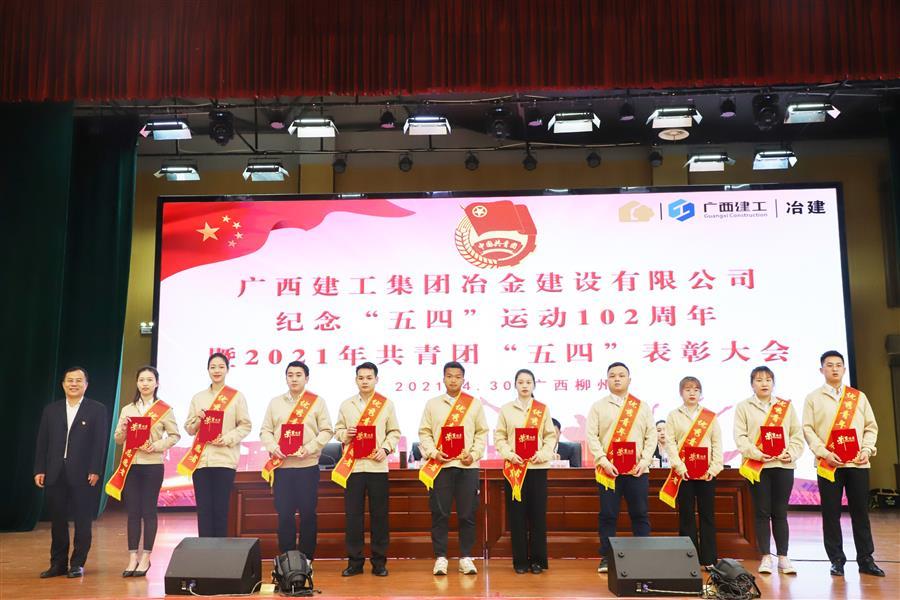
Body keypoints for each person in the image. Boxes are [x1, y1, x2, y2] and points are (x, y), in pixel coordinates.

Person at [802, 350, 884, 577]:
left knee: (860, 513)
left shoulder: (858, 397)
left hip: (857, 464)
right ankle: (836, 560)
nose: (834, 369)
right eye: (829, 365)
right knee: (831, 514)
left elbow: (871, 427)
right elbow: (808, 430)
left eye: (838, 365)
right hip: (829, 464)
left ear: (844, 369)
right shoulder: (813, 398)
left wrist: (867, 449)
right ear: (822, 370)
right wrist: (824, 453)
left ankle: (866, 560)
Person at [33, 366, 108, 578]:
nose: (73, 384)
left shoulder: (97, 409)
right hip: (55, 472)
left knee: (83, 520)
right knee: (57, 521)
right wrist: (40, 469)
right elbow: (42, 441)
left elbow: (100, 443)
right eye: (70, 380)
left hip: (84, 474)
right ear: (63, 384)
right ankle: (58, 564)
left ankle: (77, 564)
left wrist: (95, 469)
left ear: (86, 385)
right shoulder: (51, 410)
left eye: (78, 380)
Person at [418, 361, 489, 576]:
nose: (453, 380)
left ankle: (466, 557)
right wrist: (433, 453)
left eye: (457, 376)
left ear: (463, 379)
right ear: (443, 379)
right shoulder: (432, 404)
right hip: (441, 466)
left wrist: (473, 454)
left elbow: (482, 433)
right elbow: (424, 433)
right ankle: (440, 557)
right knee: (440, 513)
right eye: (449, 376)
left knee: (467, 514)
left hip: (467, 466)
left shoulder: (473, 404)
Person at [108, 366, 180, 577]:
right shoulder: (127, 409)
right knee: (133, 512)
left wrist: (156, 445)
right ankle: (132, 557)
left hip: (153, 465)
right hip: (131, 465)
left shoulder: (164, 409)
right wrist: (122, 431)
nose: (145, 383)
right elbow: (118, 439)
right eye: (141, 380)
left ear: (156, 383)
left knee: (148, 511)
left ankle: (146, 557)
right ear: (137, 383)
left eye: (149, 380)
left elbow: (174, 436)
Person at [733, 366, 804, 575]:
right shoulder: (743, 407)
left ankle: (783, 557)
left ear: (773, 383)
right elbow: (740, 437)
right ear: (752, 384)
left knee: (780, 512)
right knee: (762, 512)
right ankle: (765, 557)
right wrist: (757, 454)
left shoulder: (785, 407)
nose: (764, 383)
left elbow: (796, 434)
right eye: (758, 380)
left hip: (783, 465)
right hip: (758, 466)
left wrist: (791, 453)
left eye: (768, 379)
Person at [260, 361, 333, 561]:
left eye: (298, 375)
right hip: (282, 468)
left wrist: (309, 448)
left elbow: (327, 430)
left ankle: (306, 558)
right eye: (290, 375)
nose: (294, 378)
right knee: (284, 514)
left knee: (308, 514)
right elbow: (265, 430)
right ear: (286, 378)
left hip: (307, 467)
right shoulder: (275, 402)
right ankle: (287, 558)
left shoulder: (317, 402)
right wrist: (273, 447)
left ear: (306, 378)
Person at [333, 362, 400, 577]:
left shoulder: (386, 404)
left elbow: (394, 432)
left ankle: (379, 562)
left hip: (377, 467)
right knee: (353, 516)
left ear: (376, 380)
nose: (365, 381)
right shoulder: (346, 405)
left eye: (369, 378)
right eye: (361, 378)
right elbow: (337, 430)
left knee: (379, 516)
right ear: (356, 380)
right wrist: (346, 434)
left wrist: (386, 449)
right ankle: (355, 562)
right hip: (353, 468)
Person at [587, 362, 655, 574]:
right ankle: (607, 558)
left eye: (621, 375)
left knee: (640, 513)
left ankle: (644, 557)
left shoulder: (641, 406)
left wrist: (644, 461)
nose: (617, 379)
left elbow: (651, 436)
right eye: (612, 375)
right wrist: (604, 461)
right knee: (608, 515)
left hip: (637, 470)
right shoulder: (598, 407)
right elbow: (592, 437)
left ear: (629, 380)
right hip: (608, 472)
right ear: (606, 380)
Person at [180, 353, 251, 537]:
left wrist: (227, 438)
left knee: (220, 510)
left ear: (227, 369)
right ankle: (204, 551)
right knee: (203, 511)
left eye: (221, 366)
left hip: (224, 460)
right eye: (213, 367)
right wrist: (198, 419)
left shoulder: (236, 397)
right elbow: (189, 428)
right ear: (208, 370)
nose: (217, 370)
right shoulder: (198, 397)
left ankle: (219, 551)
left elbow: (245, 425)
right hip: (201, 462)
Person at [493, 369, 557, 574]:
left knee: (537, 515)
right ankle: (520, 561)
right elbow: (499, 437)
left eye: (528, 382)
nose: (524, 385)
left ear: (534, 385)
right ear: (515, 385)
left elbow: (550, 436)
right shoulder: (506, 410)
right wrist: (509, 454)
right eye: (520, 382)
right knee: (517, 516)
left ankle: (538, 560)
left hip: (537, 467)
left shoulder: (542, 409)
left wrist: (543, 454)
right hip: (515, 469)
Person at [661, 376, 722, 569]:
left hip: (707, 474)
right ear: (681, 393)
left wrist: (714, 469)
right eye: (688, 389)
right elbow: (670, 444)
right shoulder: (673, 415)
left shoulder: (709, 417)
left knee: (707, 515)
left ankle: (709, 559)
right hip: (684, 474)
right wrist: (680, 467)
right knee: (686, 515)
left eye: (696, 389)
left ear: (700, 393)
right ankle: (688, 559)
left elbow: (717, 444)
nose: (692, 393)